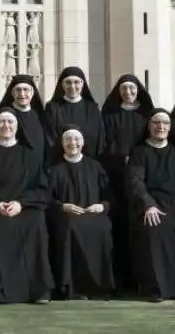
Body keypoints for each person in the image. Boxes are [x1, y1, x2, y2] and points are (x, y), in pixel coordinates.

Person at [0, 108, 53, 305]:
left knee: (36, 222)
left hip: (22, 207)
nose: (6, 126)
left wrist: (21, 204)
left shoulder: (29, 154)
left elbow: (40, 187)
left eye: (10, 122)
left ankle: (36, 290)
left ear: (17, 126)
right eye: (1, 122)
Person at [126, 108, 175, 303]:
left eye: (164, 123)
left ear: (170, 128)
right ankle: (155, 287)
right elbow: (135, 181)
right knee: (155, 227)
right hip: (154, 204)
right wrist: (147, 205)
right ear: (149, 126)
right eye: (156, 123)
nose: (160, 126)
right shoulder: (139, 152)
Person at [99, 73, 155, 292]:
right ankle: (120, 278)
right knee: (119, 224)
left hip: (143, 178)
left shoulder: (146, 114)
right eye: (124, 89)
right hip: (115, 175)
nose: (128, 93)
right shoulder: (109, 113)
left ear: (138, 90)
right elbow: (104, 141)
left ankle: (142, 277)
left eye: (132, 89)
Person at [46, 125, 115, 299]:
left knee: (102, 228)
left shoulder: (95, 167)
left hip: (93, 214)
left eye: (76, 139)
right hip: (65, 216)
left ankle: (99, 286)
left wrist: (102, 206)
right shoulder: (53, 169)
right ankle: (73, 288)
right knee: (70, 228)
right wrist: (63, 206)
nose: (72, 143)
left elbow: (109, 196)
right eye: (68, 139)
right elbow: (46, 197)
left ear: (83, 143)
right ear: (62, 143)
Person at [45, 67, 106, 159]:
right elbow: (49, 137)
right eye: (68, 82)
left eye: (76, 82)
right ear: (62, 85)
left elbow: (98, 137)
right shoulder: (53, 107)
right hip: (59, 161)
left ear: (82, 84)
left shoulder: (92, 108)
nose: (72, 86)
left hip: (88, 160)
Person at [0, 74, 51, 164]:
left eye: (26, 90)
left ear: (32, 93)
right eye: (18, 90)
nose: (22, 94)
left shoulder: (39, 115)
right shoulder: (4, 116)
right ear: (12, 93)